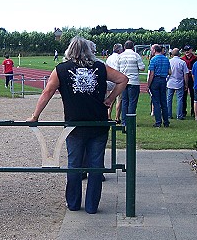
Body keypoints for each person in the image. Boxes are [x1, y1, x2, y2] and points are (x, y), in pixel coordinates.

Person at [27, 36, 127, 214]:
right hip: (98, 123)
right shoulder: (100, 67)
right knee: (96, 166)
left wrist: (35, 116)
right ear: (89, 50)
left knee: (74, 165)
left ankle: (73, 203)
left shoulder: (61, 70)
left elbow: (47, 92)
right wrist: (110, 99)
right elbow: (123, 79)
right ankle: (91, 206)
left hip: (74, 125)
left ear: (69, 51)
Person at [117, 40, 145, 125]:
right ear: (133, 47)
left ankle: (124, 121)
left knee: (124, 101)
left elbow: (117, 69)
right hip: (133, 81)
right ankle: (131, 121)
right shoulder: (136, 55)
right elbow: (142, 68)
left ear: (124, 47)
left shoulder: (120, 56)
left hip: (123, 81)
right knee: (132, 102)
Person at [147, 44, 171, 128]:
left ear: (154, 51)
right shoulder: (166, 59)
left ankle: (158, 121)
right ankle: (166, 121)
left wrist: (148, 85)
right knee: (164, 101)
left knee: (156, 101)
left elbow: (151, 73)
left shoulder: (153, 60)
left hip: (155, 80)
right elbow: (169, 72)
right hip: (163, 80)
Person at [166, 48, 188, 120]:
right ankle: (179, 115)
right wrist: (186, 84)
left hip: (170, 82)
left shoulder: (169, 61)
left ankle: (168, 114)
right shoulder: (182, 62)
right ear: (179, 54)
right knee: (180, 99)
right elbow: (185, 74)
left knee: (169, 99)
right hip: (179, 82)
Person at [105, 43, 123, 123]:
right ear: (119, 50)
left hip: (109, 80)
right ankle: (117, 117)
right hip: (117, 79)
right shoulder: (120, 57)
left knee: (110, 99)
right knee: (119, 99)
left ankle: (108, 115)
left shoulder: (109, 58)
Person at [181, 45, 197, 118]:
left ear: (191, 50)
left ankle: (193, 112)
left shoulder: (195, 59)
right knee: (183, 96)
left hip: (192, 79)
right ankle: (183, 111)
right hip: (184, 79)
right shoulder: (182, 59)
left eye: (188, 50)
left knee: (193, 96)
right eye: (185, 50)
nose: (187, 51)